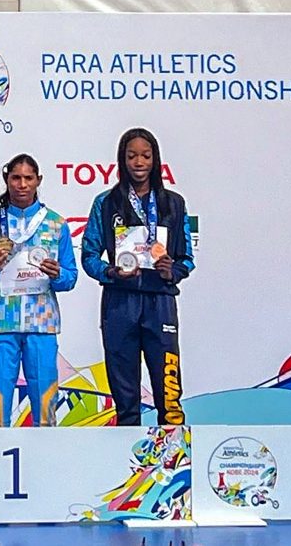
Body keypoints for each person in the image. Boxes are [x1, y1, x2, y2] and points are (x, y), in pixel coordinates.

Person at [81, 128, 194, 426]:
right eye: (132, 156)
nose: (139, 162)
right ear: (122, 160)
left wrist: (174, 271)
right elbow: (89, 256)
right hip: (120, 303)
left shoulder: (174, 203)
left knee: (168, 392)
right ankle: (125, 456)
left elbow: (187, 259)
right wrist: (109, 272)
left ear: (156, 160)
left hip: (160, 302)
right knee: (125, 394)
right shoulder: (105, 203)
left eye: (145, 156)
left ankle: (174, 459)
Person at [0, 154, 78, 427]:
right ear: (6, 180)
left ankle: (46, 462)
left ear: (38, 180)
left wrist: (57, 274)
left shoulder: (56, 224)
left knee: (45, 410)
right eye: (16, 178)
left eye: (29, 178)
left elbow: (70, 278)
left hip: (42, 323)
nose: (22, 184)